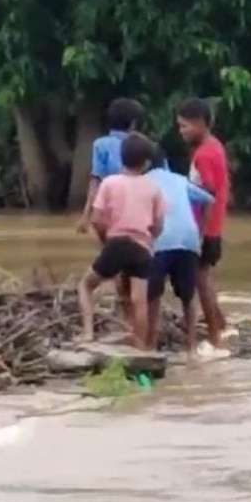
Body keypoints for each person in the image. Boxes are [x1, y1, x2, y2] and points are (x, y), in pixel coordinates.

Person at [77, 133, 167, 348]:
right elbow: (158, 226)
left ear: (121, 157)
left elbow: (97, 219)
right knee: (140, 301)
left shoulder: (109, 183)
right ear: (146, 163)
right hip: (142, 247)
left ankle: (88, 333)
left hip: (116, 243)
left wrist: (105, 238)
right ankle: (141, 347)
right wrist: (148, 238)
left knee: (85, 285)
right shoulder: (153, 187)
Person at [77, 98, 147, 323]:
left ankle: (125, 314)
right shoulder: (142, 145)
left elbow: (95, 180)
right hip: (138, 212)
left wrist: (86, 215)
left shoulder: (101, 144)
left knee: (115, 262)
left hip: (108, 212)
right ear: (134, 123)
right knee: (133, 264)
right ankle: (133, 317)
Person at [145, 155, 215, 354]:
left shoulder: (144, 182)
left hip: (160, 243)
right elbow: (209, 200)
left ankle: (150, 344)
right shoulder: (180, 180)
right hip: (188, 240)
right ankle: (191, 347)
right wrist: (199, 233)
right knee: (188, 296)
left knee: (153, 295)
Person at [176, 98, 231, 350]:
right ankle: (220, 325)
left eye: (184, 126)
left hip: (204, 228)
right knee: (205, 278)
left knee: (201, 281)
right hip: (213, 226)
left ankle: (214, 336)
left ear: (199, 124)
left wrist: (196, 232)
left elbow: (207, 191)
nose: (181, 132)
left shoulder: (204, 155)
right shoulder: (214, 146)